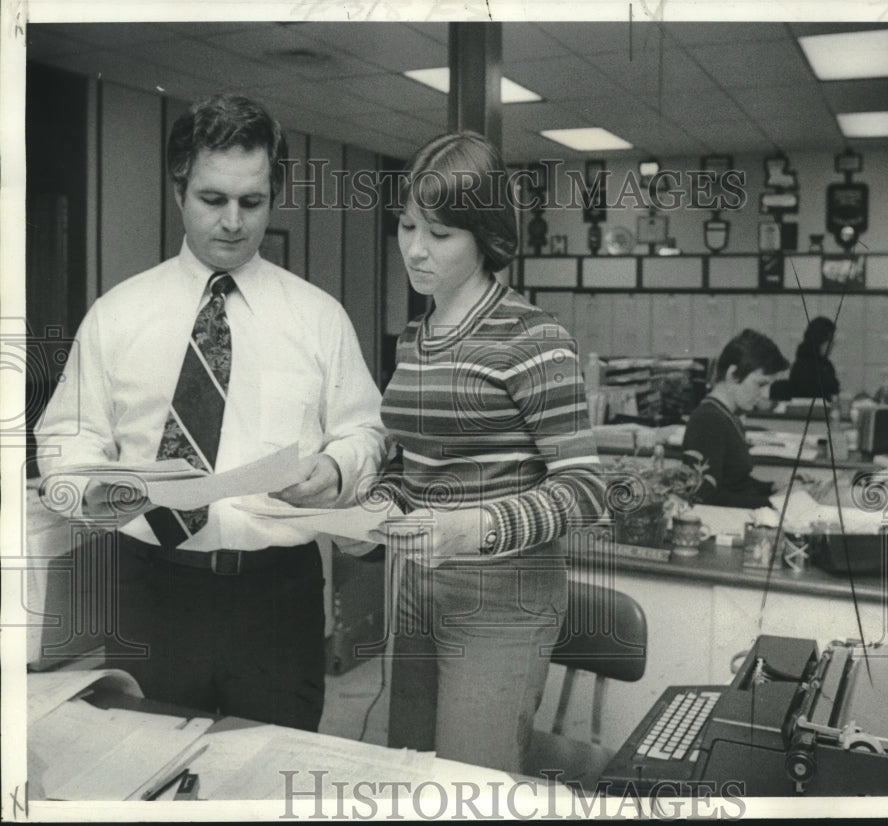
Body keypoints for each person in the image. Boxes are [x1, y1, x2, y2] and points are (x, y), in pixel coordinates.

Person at [34, 94, 386, 732]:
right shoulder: (117, 315)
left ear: (273, 195)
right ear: (178, 190)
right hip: (152, 590)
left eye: (251, 203)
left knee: (272, 775)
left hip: (278, 596)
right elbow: (64, 441)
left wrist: (336, 470)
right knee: (147, 775)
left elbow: (365, 429)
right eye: (212, 200)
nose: (232, 221)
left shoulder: (317, 317)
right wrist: (92, 492)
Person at [376, 132, 606, 773]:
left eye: (441, 234)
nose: (415, 250)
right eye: (407, 226)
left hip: (502, 593)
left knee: (465, 785)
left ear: (484, 237)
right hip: (420, 582)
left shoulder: (531, 337)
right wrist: (374, 506)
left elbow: (585, 490)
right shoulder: (415, 335)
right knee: (410, 769)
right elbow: (412, 463)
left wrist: (472, 528)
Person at [682, 329, 789, 509]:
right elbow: (705, 496)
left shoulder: (726, 415)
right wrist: (773, 503)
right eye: (760, 384)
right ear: (733, 374)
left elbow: (734, 481)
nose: (764, 394)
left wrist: (771, 487)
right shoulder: (709, 420)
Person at [787, 316, 840, 401]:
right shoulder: (803, 366)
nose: (832, 344)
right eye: (829, 340)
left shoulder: (826, 364)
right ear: (818, 340)